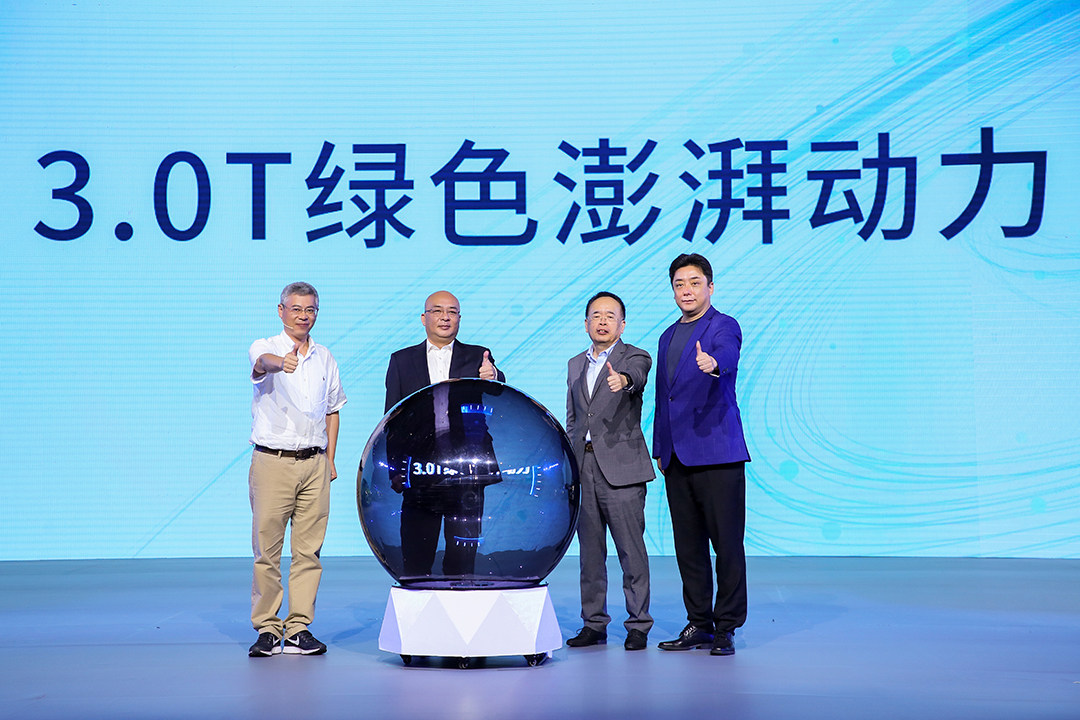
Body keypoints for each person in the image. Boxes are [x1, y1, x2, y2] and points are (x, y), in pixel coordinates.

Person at [653, 254, 750, 656]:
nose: (687, 290)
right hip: (677, 457)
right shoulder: (667, 336)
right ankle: (699, 623)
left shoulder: (723, 325)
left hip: (718, 453)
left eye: (694, 282)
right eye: (679, 284)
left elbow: (727, 356)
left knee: (727, 545)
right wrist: (660, 448)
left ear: (710, 287)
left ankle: (726, 627)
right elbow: (664, 397)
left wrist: (713, 364)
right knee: (688, 547)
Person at [246, 282, 346, 657]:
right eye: (297, 309)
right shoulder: (265, 346)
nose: (304, 316)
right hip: (273, 462)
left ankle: (299, 627)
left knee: (309, 552)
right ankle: (268, 628)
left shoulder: (324, 357)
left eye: (310, 310)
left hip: (315, 464)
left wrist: (330, 459)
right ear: (281, 310)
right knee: (267, 551)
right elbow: (261, 364)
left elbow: (333, 410)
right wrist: (281, 363)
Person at [383, 291, 505, 581]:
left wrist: (494, 375)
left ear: (459, 319)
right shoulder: (402, 360)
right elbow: (392, 419)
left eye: (452, 312)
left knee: (462, 555)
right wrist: (395, 469)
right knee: (417, 551)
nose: (445, 317)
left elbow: (498, 387)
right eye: (437, 311)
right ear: (424, 318)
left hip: (467, 468)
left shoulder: (477, 355)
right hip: (419, 468)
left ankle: (460, 603)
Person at [564, 292, 655, 651]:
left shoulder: (634, 357)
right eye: (596, 315)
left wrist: (625, 381)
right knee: (590, 553)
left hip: (622, 469)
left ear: (622, 324)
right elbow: (574, 418)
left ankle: (638, 624)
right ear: (586, 323)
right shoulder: (575, 363)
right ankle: (594, 623)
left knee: (631, 551)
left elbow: (637, 377)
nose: (602, 321)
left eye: (610, 316)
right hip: (583, 466)